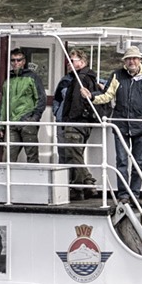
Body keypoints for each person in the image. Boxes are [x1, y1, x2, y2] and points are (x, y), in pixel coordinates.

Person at [91, 47, 142, 191]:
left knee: (138, 163)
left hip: (141, 125)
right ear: (124, 62)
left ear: (140, 60)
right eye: (128, 59)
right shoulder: (117, 75)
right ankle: (124, 195)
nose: (131, 61)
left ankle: (135, 194)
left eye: (134, 58)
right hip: (120, 126)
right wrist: (92, 97)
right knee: (121, 162)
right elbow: (107, 95)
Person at [52, 51, 103, 190]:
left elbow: (77, 102)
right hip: (74, 122)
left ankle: (86, 182)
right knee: (71, 154)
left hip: (75, 123)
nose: (69, 64)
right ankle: (76, 187)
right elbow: (58, 99)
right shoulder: (74, 78)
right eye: (68, 61)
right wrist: (57, 112)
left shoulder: (82, 78)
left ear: (82, 62)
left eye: (72, 60)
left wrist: (70, 119)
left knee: (73, 155)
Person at [1, 50, 47, 162]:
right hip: (11, 122)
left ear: (24, 61)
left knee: (32, 156)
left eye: (19, 60)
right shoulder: (8, 79)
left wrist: (34, 118)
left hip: (27, 121)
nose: (16, 62)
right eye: (13, 60)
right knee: (7, 158)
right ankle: (7, 175)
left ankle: (34, 174)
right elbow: (3, 103)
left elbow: (41, 98)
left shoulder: (32, 77)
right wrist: (0, 125)